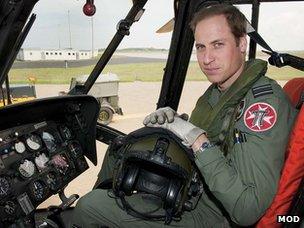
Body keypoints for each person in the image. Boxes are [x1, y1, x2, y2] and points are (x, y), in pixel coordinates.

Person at [71, 4, 297, 227]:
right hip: (192, 191)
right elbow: (218, 135)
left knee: (89, 207)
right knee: (120, 149)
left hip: (211, 215)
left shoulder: (260, 106)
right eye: (200, 47)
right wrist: (175, 122)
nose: (206, 59)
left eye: (218, 45)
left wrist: (197, 140)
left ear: (241, 44)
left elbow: (247, 208)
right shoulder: (221, 90)